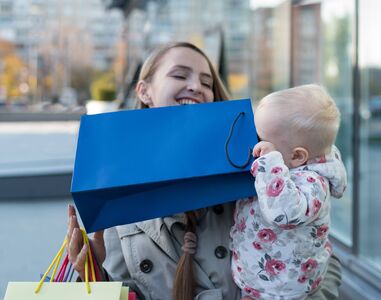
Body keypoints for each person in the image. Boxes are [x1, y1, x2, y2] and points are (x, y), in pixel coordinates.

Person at [66, 42, 343, 300]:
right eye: (180, 75)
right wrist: (93, 274)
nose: (196, 86)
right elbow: (132, 292)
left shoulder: (256, 161)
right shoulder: (116, 191)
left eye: (206, 81)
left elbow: (317, 254)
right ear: (144, 90)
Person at [230, 85, 347, 300]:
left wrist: (269, 163)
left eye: (260, 139)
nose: (254, 143)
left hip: (282, 291)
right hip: (260, 282)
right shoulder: (290, 166)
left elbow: (283, 212)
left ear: (297, 157)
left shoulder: (313, 183)